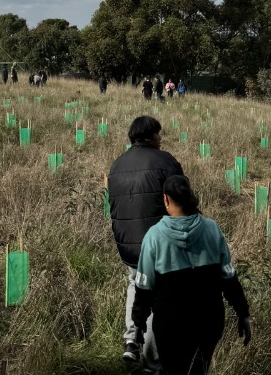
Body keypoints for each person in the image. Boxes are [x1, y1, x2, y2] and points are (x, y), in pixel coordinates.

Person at [132, 175, 251, 375]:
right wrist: (243, 312)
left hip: (170, 324)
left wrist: (138, 322)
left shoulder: (154, 236)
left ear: (166, 199)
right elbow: (229, 277)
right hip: (208, 321)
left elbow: (144, 286)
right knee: (198, 370)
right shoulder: (212, 229)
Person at [108, 116, 184, 369]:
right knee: (160, 296)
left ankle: (132, 341)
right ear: (150, 136)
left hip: (127, 243)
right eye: (158, 134)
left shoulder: (117, 165)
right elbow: (180, 201)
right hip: (159, 243)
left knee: (136, 283)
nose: (161, 139)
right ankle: (154, 362)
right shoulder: (165, 161)